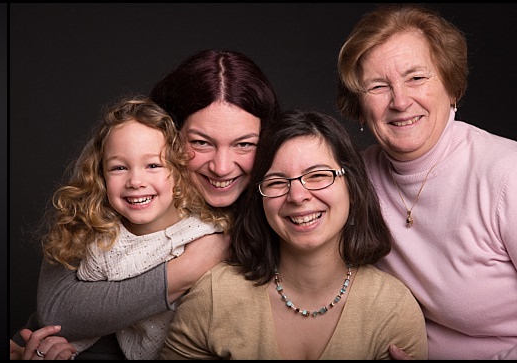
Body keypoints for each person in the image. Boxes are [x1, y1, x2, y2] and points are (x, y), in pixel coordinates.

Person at [11, 49, 281, 360]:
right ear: (168, 133)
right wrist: (184, 270)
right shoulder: (123, 158)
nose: (222, 167)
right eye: (200, 142)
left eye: (245, 144)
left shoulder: (278, 188)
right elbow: (58, 308)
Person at [335, 4, 517, 360]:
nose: (400, 101)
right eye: (378, 86)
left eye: (416, 78)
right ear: (359, 106)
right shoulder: (358, 177)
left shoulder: (509, 176)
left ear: (451, 86)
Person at [161, 109, 427, 359]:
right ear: (260, 199)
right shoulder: (214, 296)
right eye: (277, 182)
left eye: (318, 176)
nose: (298, 196)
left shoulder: (393, 308)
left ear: (352, 186)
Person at [32, 96, 230, 360]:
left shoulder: (204, 235)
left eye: (153, 165)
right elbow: (82, 318)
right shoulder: (103, 241)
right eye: (119, 167)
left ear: (179, 170)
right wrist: (56, 350)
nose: (135, 181)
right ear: (100, 176)